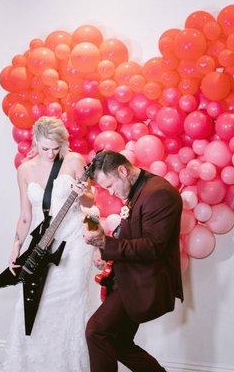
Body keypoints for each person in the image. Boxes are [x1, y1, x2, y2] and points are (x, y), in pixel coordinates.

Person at [0, 116, 98, 372]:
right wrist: (15, 246)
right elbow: (25, 215)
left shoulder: (74, 161)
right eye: (45, 148)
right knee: (33, 301)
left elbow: (89, 205)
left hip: (75, 241)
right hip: (44, 242)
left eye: (55, 148)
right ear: (35, 142)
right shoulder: (25, 170)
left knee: (72, 300)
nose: (51, 153)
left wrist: (82, 193)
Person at [83, 150, 183, 372]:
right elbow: (127, 232)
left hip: (143, 283)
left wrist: (104, 244)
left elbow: (152, 247)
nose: (110, 192)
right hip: (128, 278)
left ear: (122, 170)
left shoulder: (159, 193)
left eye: (110, 185)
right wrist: (103, 247)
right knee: (118, 343)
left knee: (96, 331)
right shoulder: (139, 188)